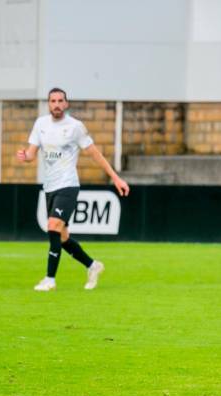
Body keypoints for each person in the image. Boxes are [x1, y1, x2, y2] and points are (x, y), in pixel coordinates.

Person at [17, 87, 129, 291]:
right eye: (53, 101)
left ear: (66, 104)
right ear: (48, 104)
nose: (57, 104)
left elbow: (95, 154)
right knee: (62, 237)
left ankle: (50, 279)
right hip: (49, 187)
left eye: (61, 100)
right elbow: (32, 153)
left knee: (52, 227)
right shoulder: (40, 124)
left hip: (68, 185)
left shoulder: (75, 127)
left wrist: (116, 178)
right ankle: (93, 265)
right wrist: (25, 156)